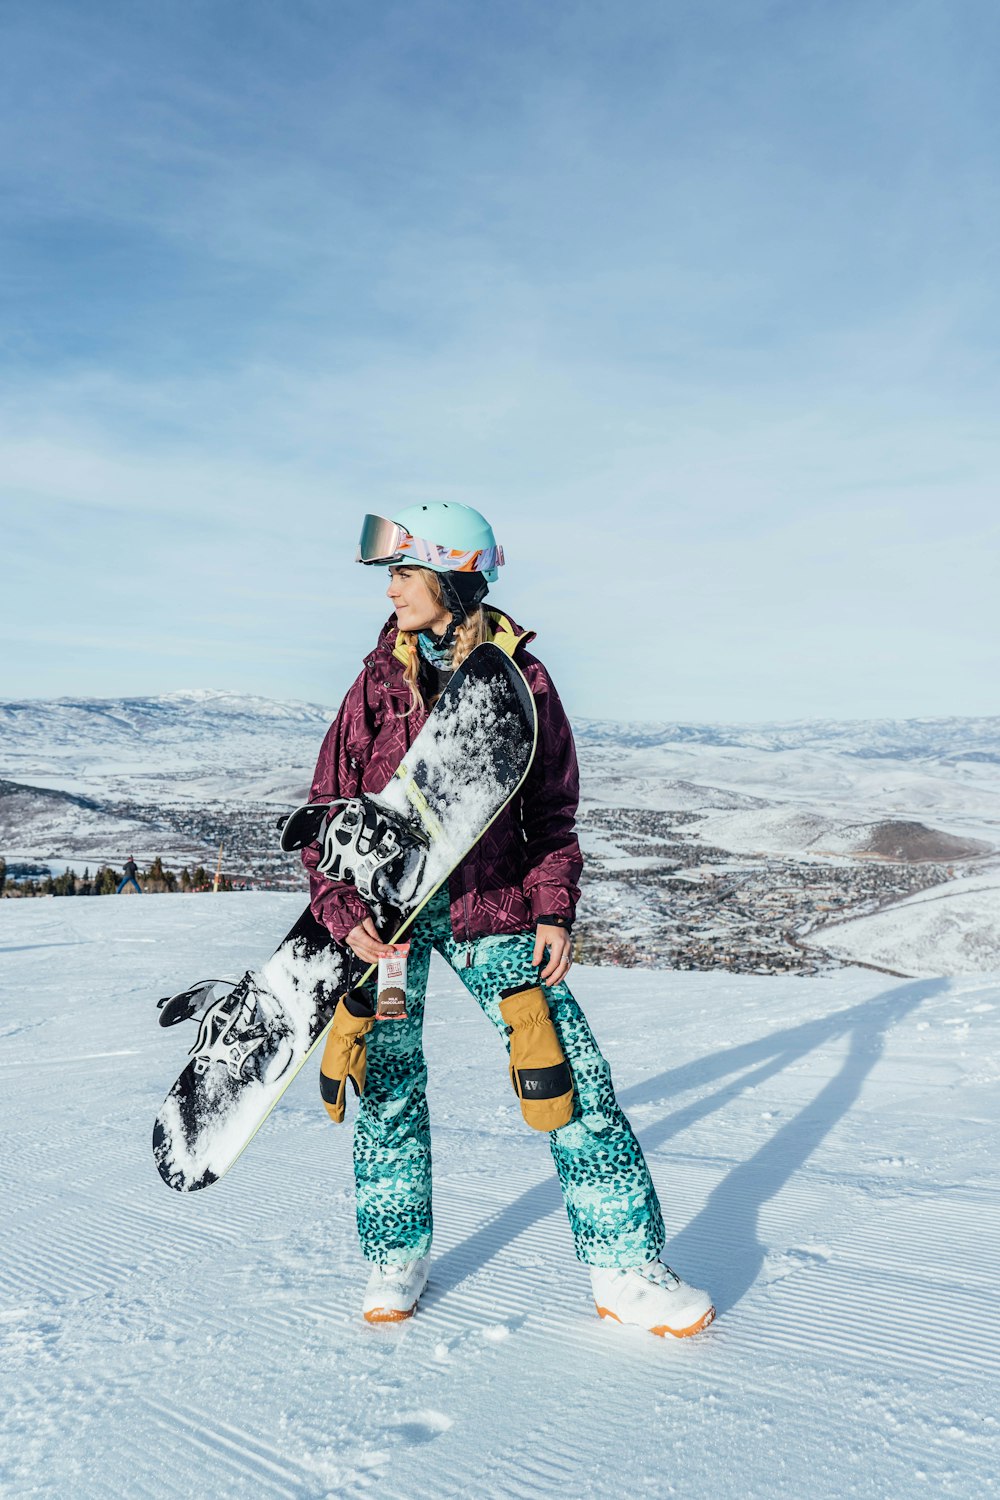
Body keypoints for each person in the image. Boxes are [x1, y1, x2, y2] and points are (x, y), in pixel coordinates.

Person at [304, 502, 714, 1337]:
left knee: (566, 1075)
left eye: (405, 573)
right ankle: (394, 1257)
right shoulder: (374, 684)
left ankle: (625, 1268)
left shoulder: (520, 680)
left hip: (495, 918)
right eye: (391, 575)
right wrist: (345, 917)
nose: (391, 592)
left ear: (453, 576)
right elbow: (328, 811)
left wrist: (554, 910)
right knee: (387, 1084)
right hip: (392, 926)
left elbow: (552, 815)